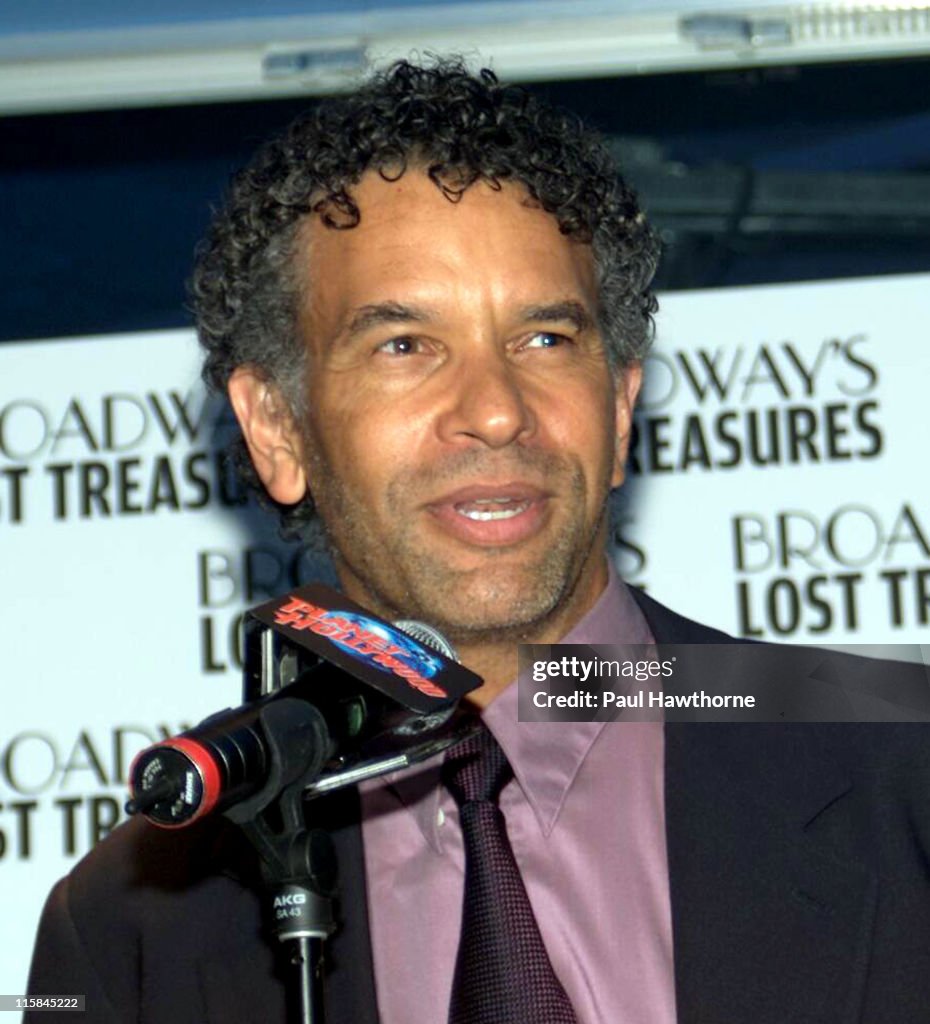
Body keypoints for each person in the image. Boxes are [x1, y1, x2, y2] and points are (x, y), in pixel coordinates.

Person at [26, 57, 930, 1024]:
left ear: (620, 410)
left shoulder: (900, 756)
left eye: (546, 339)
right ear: (278, 429)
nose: (496, 412)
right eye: (405, 346)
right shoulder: (137, 927)